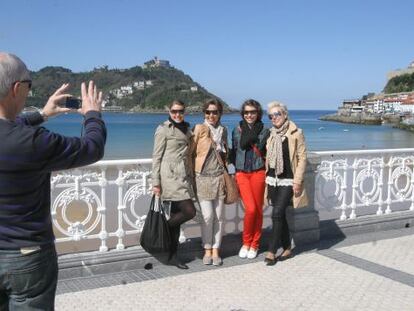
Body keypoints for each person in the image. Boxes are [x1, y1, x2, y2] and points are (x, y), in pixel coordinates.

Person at [0, 52, 106, 309]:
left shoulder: (23, 136)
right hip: (27, 256)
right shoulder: (32, 142)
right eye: (29, 85)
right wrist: (92, 114)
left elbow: (11, 126)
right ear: (16, 88)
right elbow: (92, 147)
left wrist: (43, 114)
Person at [152, 100, 196, 269]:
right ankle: (162, 230)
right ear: (168, 111)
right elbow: (156, 157)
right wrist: (156, 183)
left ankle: (172, 255)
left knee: (177, 219)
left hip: (183, 176)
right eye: (173, 111)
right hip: (169, 178)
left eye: (180, 111)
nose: (177, 114)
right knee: (189, 211)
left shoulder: (187, 129)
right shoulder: (163, 130)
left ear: (184, 111)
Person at [264, 101, 308, 266]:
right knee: (279, 214)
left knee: (276, 213)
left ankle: (271, 250)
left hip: (288, 180)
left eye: (277, 114)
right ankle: (288, 248)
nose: (274, 118)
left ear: (285, 114)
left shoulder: (296, 132)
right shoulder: (270, 134)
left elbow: (302, 158)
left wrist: (297, 181)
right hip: (272, 179)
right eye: (271, 116)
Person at [231, 99, 269, 259]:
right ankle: (246, 242)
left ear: (258, 113)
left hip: (258, 172)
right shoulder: (237, 130)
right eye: (246, 112)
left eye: (252, 112)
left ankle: (255, 244)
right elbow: (234, 151)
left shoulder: (265, 131)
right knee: (251, 209)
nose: (249, 115)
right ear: (243, 114)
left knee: (258, 210)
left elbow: (266, 151)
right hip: (242, 174)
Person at [193, 99, 228, 266]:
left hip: (219, 177)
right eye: (208, 112)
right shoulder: (199, 129)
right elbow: (190, 152)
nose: (211, 115)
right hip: (203, 178)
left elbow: (226, 155)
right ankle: (207, 248)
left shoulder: (224, 131)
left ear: (219, 113)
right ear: (204, 113)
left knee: (219, 217)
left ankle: (216, 250)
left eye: (214, 112)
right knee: (207, 217)